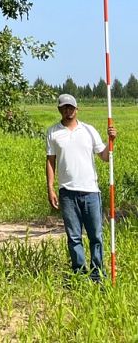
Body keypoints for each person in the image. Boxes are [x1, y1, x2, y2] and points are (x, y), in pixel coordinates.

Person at [45, 92, 117, 281]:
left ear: (77, 109)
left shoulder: (89, 130)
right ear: (59, 110)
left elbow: (104, 157)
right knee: (74, 237)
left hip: (91, 192)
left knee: (96, 236)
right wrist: (50, 188)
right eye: (64, 107)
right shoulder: (53, 132)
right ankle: (78, 273)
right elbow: (50, 161)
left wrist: (112, 142)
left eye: (71, 107)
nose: (68, 110)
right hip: (67, 193)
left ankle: (97, 275)